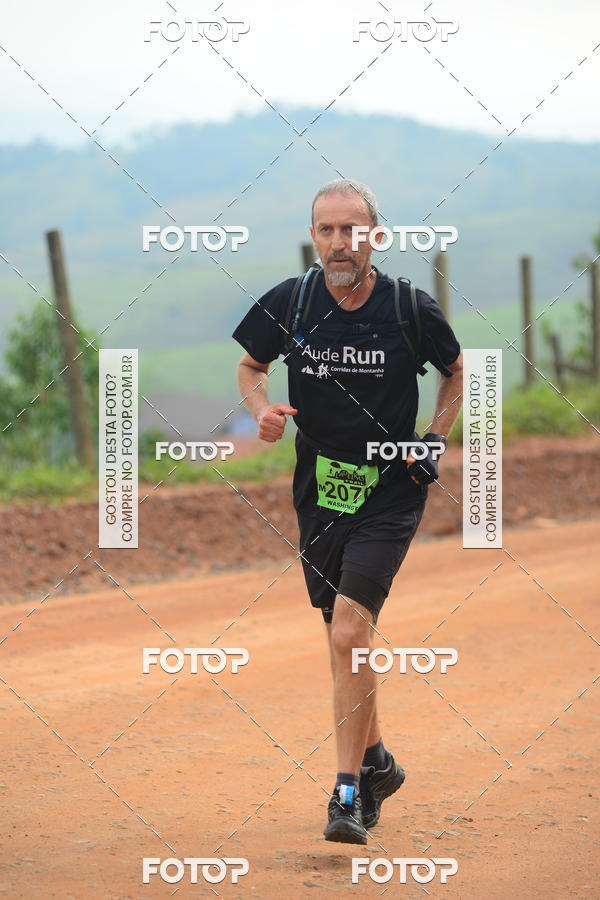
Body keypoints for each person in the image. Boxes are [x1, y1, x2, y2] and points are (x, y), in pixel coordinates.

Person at [231, 179, 463, 844]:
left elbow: (457, 372)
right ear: (314, 236)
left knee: (348, 632)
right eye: (327, 230)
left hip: (391, 487)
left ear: (375, 238)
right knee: (345, 633)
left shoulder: (408, 308)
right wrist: (261, 410)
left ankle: (347, 792)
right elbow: (250, 365)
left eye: (352, 230)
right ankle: (378, 761)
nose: (340, 242)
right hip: (320, 487)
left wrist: (433, 440)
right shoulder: (293, 300)